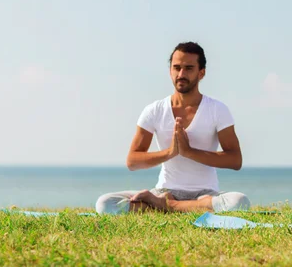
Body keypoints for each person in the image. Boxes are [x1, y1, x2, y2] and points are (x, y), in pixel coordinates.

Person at [95, 42, 250, 214]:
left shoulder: (217, 109)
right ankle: (176, 206)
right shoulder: (154, 110)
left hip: (205, 195)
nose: (181, 74)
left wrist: (189, 152)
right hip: (164, 192)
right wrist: (171, 152)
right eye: (176, 68)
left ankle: (165, 206)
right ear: (170, 71)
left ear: (201, 73)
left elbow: (235, 160)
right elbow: (132, 161)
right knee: (105, 204)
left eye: (189, 68)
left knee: (239, 202)